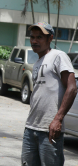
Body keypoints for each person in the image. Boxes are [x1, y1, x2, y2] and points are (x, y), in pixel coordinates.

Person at [21, 22, 77, 166]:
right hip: (31, 127)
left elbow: (72, 88)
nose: (34, 41)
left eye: (39, 37)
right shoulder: (37, 63)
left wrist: (57, 119)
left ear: (50, 38)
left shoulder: (58, 56)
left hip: (50, 130)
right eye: (32, 37)